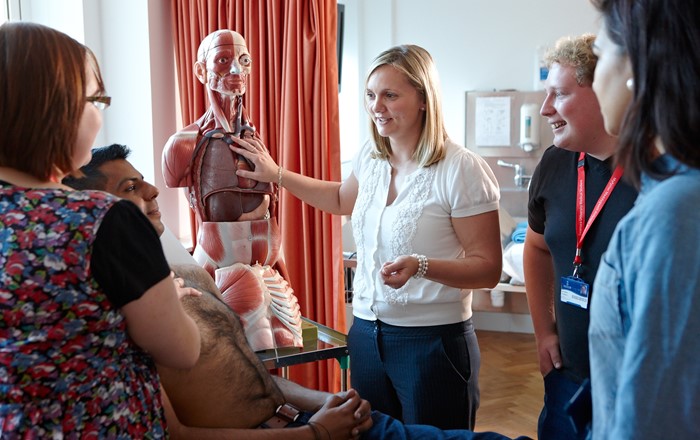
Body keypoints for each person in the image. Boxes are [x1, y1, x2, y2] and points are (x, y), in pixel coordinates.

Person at [67, 144, 528, 440]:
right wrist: (316, 433)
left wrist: (321, 401)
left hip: (301, 412)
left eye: (390, 95)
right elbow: (176, 432)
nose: (151, 189)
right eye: (131, 187)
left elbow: (250, 375)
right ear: (94, 210)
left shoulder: (188, 273)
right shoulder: (126, 312)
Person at [231, 44, 503, 430]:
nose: (377, 106)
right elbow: (341, 198)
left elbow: (487, 269)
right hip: (365, 337)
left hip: (432, 344)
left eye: (391, 95)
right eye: (371, 95)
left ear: (424, 100)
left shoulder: (461, 169)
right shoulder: (372, 159)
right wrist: (277, 174)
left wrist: (420, 266)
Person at [0, 22, 200, 437]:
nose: (99, 115)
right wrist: (168, 302)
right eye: (96, 100)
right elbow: (183, 350)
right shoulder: (102, 219)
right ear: (56, 107)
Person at [587, 0, 700, 438]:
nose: (595, 78)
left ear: (639, 63)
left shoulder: (676, 212)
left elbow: (655, 421)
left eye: (599, 56)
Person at [522, 34, 637, 439]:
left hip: (630, 384)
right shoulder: (554, 164)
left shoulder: (655, 179)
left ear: (602, 90)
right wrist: (543, 332)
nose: (545, 108)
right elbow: (535, 248)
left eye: (560, 94)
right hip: (566, 375)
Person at [162, 29, 302, 353]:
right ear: (201, 71)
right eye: (223, 61)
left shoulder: (256, 140)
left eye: (243, 61)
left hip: (268, 266)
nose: (236, 71)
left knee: (286, 346)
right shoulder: (183, 144)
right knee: (251, 353)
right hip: (221, 268)